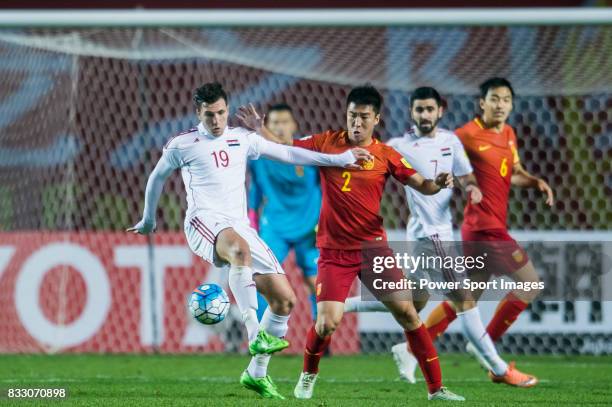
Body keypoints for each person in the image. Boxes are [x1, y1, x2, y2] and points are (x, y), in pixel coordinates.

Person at [127, 82, 372, 400]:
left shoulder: (242, 139)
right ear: (198, 112)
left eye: (220, 113)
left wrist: (339, 160)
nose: (215, 120)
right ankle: (253, 332)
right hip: (204, 221)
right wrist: (149, 219)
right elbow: (157, 177)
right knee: (238, 251)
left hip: (239, 225)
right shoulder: (182, 144)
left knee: (285, 300)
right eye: (208, 114)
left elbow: (287, 152)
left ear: (227, 110)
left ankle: (256, 373)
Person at [238, 85, 465, 401]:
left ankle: (436, 389)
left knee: (410, 314)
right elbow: (286, 147)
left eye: (363, 117)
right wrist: (259, 129)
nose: (356, 123)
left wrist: (437, 184)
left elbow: (422, 185)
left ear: (376, 118)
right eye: (351, 116)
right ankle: (307, 376)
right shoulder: (327, 143)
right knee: (327, 324)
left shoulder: (386, 155)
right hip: (334, 252)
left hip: (373, 249)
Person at [344, 86, 537, 388]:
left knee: (411, 304)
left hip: (439, 236)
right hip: (429, 238)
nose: (424, 115)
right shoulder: (398, 145)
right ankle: (498, 367)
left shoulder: (450, 141)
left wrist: (471, 187)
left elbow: (465, 174)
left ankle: (342, 303)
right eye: (419, 110)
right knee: (466, 302)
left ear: (439, 111)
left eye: (429, 109)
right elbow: (369, 162)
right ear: (411, 113)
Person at [419, 77, 554, 378]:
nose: (500, 104)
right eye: (494, 98)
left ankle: (416, 343)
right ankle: (487, 348)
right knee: (529, 283)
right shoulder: (465, 134)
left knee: (467, 297)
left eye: (506, 99)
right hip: (484, 227)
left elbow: (513, 173)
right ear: (482, 102)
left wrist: (536, 182)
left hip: (487, 227)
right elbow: (441, 158)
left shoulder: (508, 134)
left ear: (511, 104)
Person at [248, 103, 320, 322]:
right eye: (275, 123)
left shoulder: (307, 153)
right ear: (266, 126)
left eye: (284, 122)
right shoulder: (258, 158)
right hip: (275, 227)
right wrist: (252, 223)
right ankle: (261, 336)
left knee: (315, 283)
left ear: (294, 125)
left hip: (309, 228)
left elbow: (325, 188)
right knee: (262, 278)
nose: (280, 127)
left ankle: (321, 337)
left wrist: (325, 221)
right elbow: (255, 193)